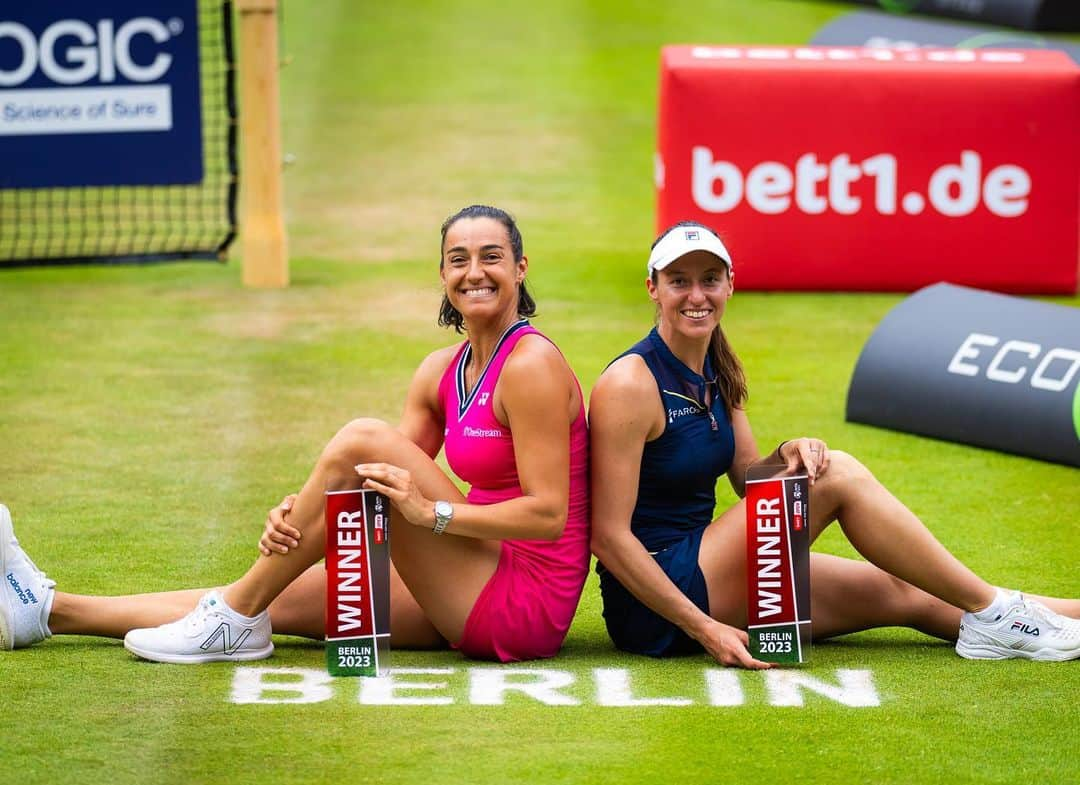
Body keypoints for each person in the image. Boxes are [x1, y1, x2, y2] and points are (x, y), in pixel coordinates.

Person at [0, 205, 590, 664]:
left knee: (362, 437)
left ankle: (234, 620)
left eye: (491, 257)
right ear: (441, 274)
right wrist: (305, 511)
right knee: (269, 598)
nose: (475, 272)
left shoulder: (531, 365)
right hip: (466, 571)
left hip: (523, 601)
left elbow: (546, 515)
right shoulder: (441, 370)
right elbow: (369, 482)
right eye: (458, 259)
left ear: (520, 268)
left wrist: (427, 512)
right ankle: (48, 611)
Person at [588, 221, 1080, 667]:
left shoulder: (717, 364)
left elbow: (746, 480)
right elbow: (608, 536)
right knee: (835, 475)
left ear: (730, 284)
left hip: (712, 572)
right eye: (679, 280)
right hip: (655, 603)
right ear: (653, 288)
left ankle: (1032, 616)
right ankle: (994, 611)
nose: (697, 294)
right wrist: (706, 629)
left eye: (709, 279)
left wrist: (784, 453)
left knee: (905, 592)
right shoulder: (631, 383)